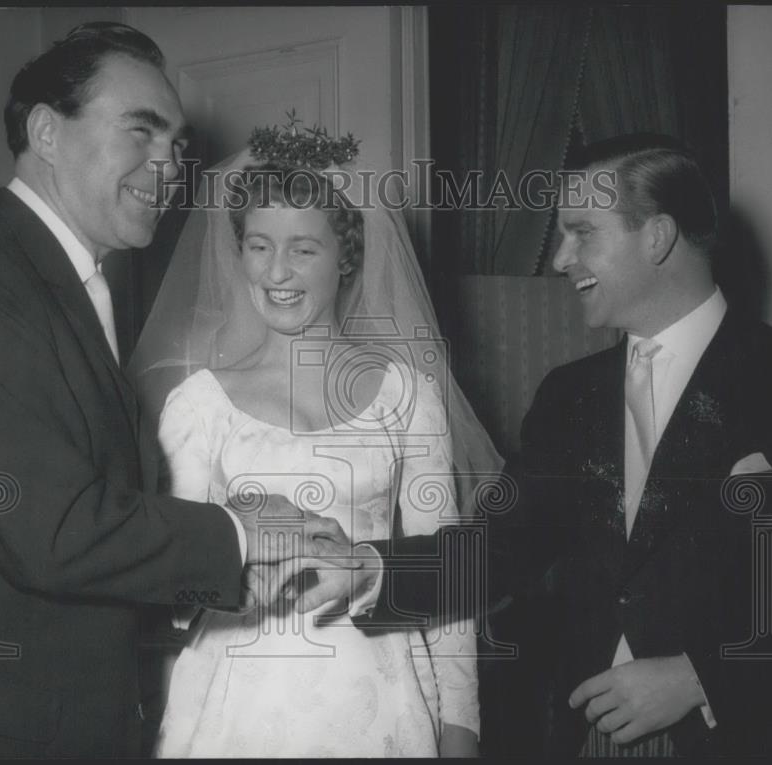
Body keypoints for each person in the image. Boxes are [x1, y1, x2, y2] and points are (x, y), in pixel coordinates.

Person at [306, 134, 772, 756]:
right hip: (588, 737)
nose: (559, 259)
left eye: (581, 232)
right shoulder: (568, 395)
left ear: (656, 237)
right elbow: (503, 545)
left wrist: (699, 677)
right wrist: (374, 568)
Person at [0, 23, 347, 758]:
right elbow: (53, 529)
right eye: (140, 132)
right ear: (46, 132)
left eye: (177, 145)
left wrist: (203, 590)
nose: (169, 167)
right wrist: (247, 533)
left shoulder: (52, 278)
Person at [128, 144, 504, 756]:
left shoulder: (406, 396)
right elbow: (165, 593)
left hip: (382, 702)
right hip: (234, 708)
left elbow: (449, 574)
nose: (276, 272)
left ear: (345, 259)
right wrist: (235, 561)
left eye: (302, 249)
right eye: (258, 245)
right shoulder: (199, 407)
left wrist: (460, 729)